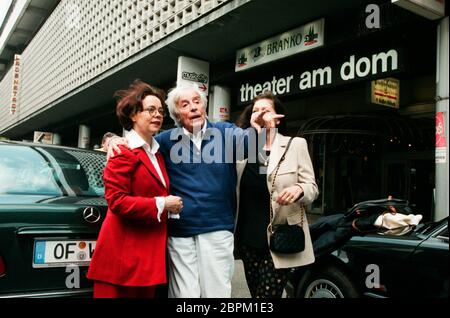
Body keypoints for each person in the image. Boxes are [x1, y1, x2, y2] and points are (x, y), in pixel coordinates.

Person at [108, 82, 281, 298]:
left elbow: (251, 148)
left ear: (204, 107)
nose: (193, 107)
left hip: (217, 227)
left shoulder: (225, 132)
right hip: (180, 231)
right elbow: (139, 144)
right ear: (177, 115)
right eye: (185, 104)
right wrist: (116, 140)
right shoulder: (165, 141)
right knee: (184, 295)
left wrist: (259, 129)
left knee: (216, 292)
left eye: (197, 102)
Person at [87, 80, 183, 298]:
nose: (157, 115)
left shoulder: (156, 152)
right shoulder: (123, 150)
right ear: (133, 115)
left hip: (147, 259)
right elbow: (117, 202)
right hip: (120, 260)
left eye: (160, 111)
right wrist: (163, 203)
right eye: (150, 110)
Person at [234, 91, 319, 298]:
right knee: (256, 295)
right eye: (256, 111)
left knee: (267, 296)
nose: (261, 115)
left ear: (278, 118)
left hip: (279, 237)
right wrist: (255, 133)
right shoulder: (242, 147)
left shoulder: (295, 145)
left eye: (266, 110)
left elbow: (312, 187)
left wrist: (299, 189)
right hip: (248, 238)